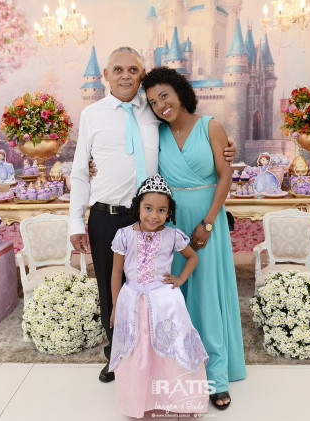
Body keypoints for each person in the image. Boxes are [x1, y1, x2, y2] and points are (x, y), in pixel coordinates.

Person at [69, 46, 235, 384]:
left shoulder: (154, 110)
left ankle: (158, 357)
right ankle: (117, 355)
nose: (125, 76)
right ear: (106, 75)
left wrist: (227, 149)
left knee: (157, 288)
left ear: (141, 75)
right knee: (111, 287)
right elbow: (80, 172)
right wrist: (75, 221)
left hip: (153, 218)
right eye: (118, 70)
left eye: (133, 70)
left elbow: (190, 133)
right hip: (107, 213)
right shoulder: (92, 115)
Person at [142, 66, 246, 410]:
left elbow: (225, 175)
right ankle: (179, 370)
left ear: (180, 92)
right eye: (153, 102)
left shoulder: (210, 126)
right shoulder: (155, 134)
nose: (161, 105)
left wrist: (209, 222)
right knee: (175, 295)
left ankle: (215, 376)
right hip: (171, 224)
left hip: (206, 220)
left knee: (207, 294)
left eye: (164, 96)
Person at [109, 174, 209, 418]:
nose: (154, 215)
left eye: (161, 210)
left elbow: (192, 257)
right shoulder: (123, 235)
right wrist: (115, 307)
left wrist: (180, 279)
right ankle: (140, 400)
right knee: (137, 350)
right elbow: (116, 273)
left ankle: (178, 401)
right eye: (148, 208)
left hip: (165, 302)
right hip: (132, 301)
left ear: (168, 212)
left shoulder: (172, 235)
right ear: (138, 207)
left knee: (171, 347)